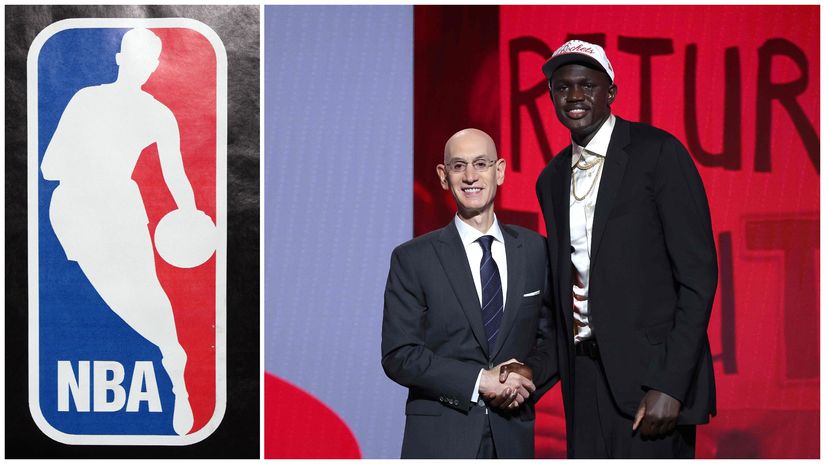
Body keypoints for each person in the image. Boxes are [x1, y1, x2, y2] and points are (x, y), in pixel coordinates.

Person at [532, 40, 717, 458]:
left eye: (587, 85)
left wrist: (671, 384)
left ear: (611, 92)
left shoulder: (658, 152)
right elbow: (565, 290)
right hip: (584, 380)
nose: (574, 96)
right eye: (562, 87)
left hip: (650, 384)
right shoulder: (552, 177)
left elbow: (698, 275)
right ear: (552, 96)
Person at [41, 28, 202, 436]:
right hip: (75, 209)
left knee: (147, 292)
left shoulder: (158, 115)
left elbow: (176, 177)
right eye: (136, 56)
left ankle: (175, 370)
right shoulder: (86, 100)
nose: (142, 65)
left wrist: (191, 217)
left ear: (155, 65)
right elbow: (48, 167)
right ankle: (170, 354)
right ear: (120, 59)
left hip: (120, 207)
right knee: (118, 297)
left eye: (148, 59)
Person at [381, 128, 557, 458]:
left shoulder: (536, 250)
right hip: (440, 438)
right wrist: (478, 381)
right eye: (459, 166)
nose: (470, 176)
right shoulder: (413, 258)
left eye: (481, 163)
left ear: (499, 171)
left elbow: (554, 340)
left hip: (513, 434)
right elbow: (399, 354)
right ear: (443, 176)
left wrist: (526, 376)